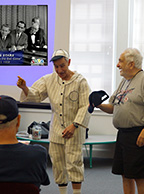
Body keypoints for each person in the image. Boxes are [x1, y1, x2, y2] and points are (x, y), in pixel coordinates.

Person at [17, 49, 90, 194]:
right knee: (57, 163)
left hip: (74, 129)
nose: (60, 70)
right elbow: (36, 95)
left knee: (74, 162)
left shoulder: (80, 81)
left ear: (69, 62)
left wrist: (74, 125)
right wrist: (25, 87)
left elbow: (85, 105)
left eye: (62, 66)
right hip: (56, 129)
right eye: (56, 67)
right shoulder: (49, 79)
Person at [96, 48, 144, 194]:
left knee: (140, 176)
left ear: (131, 64)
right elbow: (114, 107)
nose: (117, 65)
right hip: (124, 134)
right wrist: (98, 105)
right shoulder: (125, 81)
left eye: (120, 61)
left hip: (140, 132)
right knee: (125, 174)